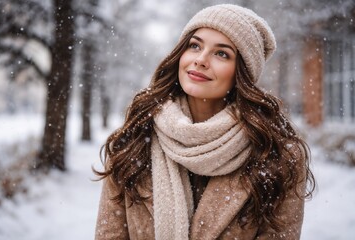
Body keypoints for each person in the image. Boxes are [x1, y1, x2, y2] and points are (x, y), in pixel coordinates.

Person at [94, 4, 315, 240]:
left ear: (242, 73)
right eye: (195, 45)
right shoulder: (135, 138)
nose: (200, 60)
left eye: (222, 53)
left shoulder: (276, 155)